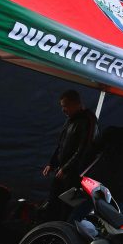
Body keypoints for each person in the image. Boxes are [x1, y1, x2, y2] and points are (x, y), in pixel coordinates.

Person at [42, 89, 97, 221]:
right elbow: (61, 145)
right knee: (53, 203)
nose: (63, 110)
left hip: (75, 176)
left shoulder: (88, 121)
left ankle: (60, 234)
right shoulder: (71, 120)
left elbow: (84, 150)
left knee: (66, 208)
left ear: (76, 104)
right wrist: (52, 163)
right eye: (62, 106)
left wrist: (66, 168)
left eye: (65, 106)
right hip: (62, 171)